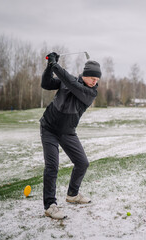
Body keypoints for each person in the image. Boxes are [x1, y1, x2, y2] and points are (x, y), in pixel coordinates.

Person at [40, 52, 101, 219]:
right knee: (52, 166)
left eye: (97, 79)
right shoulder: (68, 81)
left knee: (82, 163)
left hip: (68, 132)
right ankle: (50, 205)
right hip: (49, 128)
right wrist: (49, 67)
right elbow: (46, 84)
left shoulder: (90, 93)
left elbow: (71, 83)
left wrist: (55, 65)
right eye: (92, 78)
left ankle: (72, 194)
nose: (95, 81)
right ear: (85, 74)